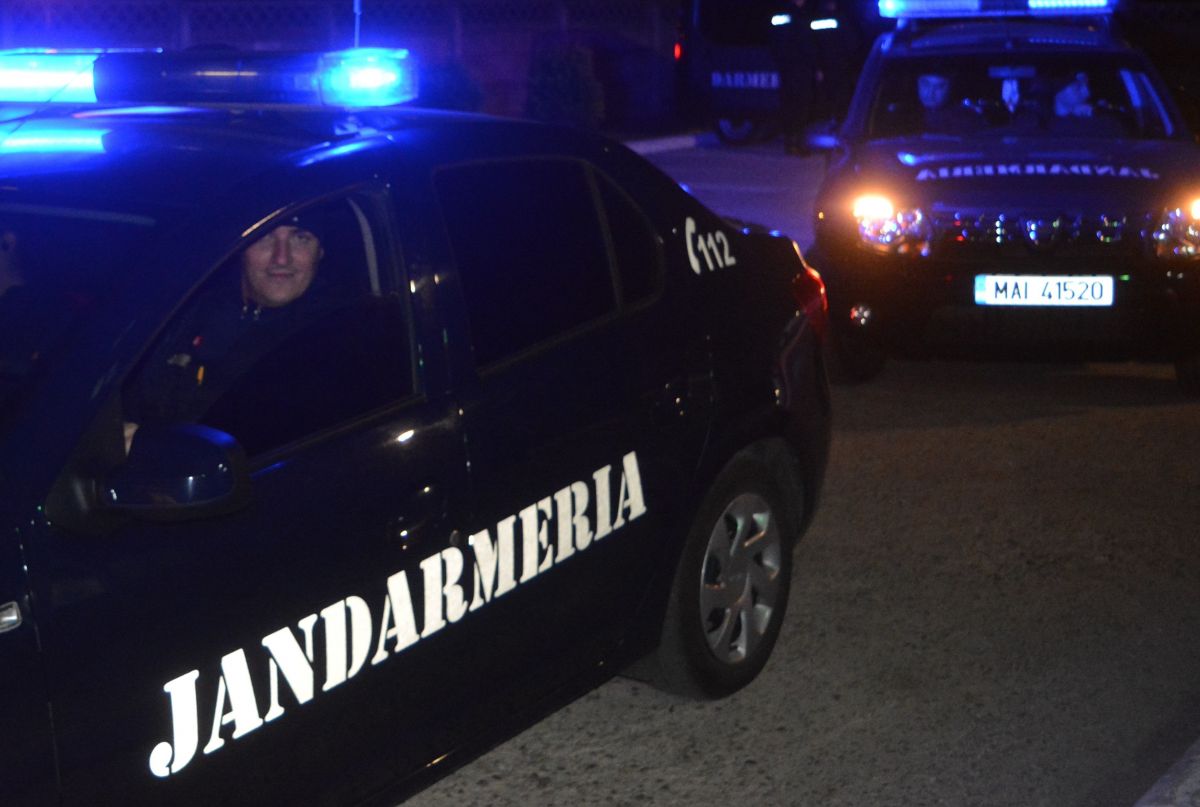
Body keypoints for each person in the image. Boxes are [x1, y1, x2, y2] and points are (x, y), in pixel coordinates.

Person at [123, 213, 329, 447]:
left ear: (319, 252)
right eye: (265, 237)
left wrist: (151, 443)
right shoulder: (191, 308)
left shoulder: (333, 334)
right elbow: (136, 393)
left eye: (300, 238)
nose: (281, 258)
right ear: (240, 248)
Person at [770, 0, 820, 154]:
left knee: (796, 106)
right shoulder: (794, 16)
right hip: (796, 68)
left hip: (795, 68)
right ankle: (794, 143)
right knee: (797, 107)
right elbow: (804, 44)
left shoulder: (801, 14)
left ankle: (794, 142)